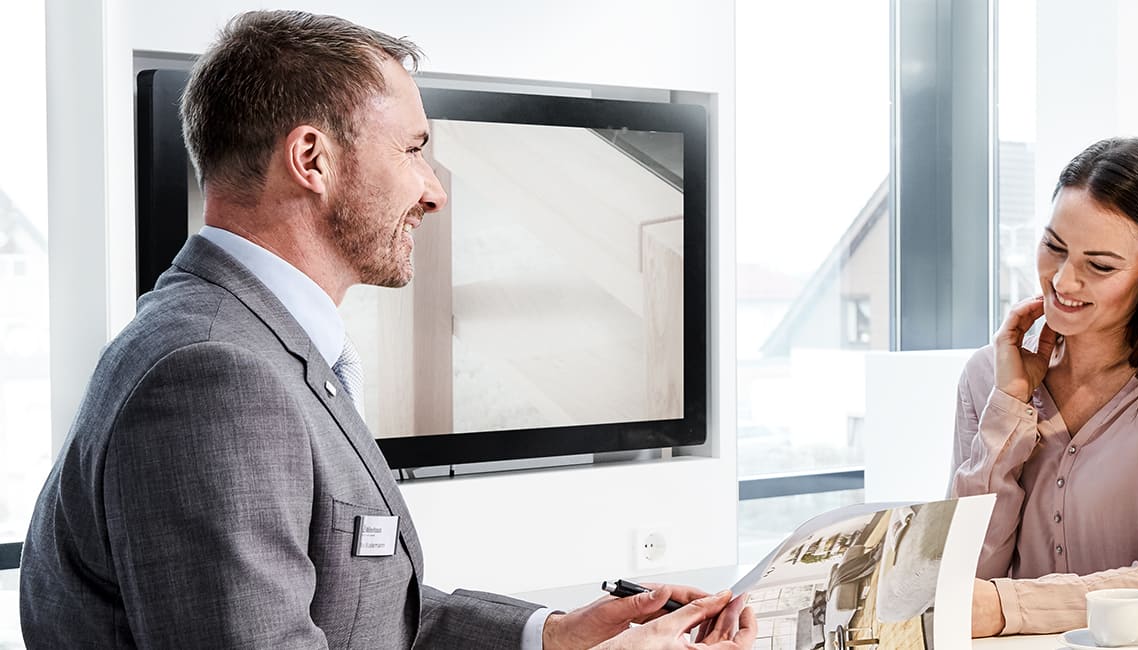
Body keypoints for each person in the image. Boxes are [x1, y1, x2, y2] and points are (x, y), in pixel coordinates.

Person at [16, 10, 753, 649]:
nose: (433, 190)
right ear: (312, 159)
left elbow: (356, 613)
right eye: (412, 149)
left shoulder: (249, 341)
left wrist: (554, 636)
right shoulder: (214, 375)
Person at [952, 137, 1138, 637]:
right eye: (1053, 247)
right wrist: (1009, 407)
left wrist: (1010, 607)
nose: (1063, 281)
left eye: (1099, 266)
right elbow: (965, 578)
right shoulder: (986, 375)